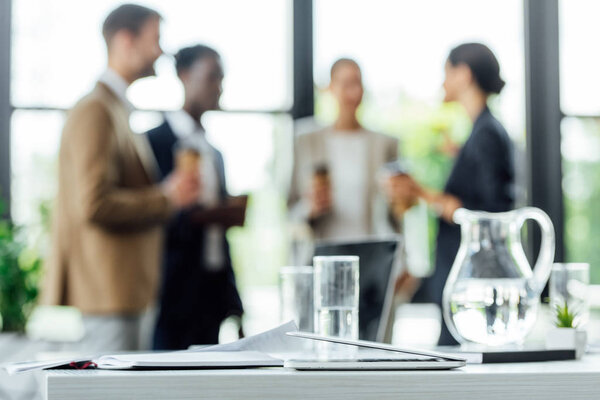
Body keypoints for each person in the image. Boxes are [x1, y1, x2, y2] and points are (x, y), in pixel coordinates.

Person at [41, 4, 200, 352]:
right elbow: (94, 203)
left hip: (123, 293)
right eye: (155, 39)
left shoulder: (114, 108)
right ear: (126, 40)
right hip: (107, 295)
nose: (161, 51)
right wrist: (167, 198)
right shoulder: (95, 110)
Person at [411, 43, 515, 345]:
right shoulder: (481, 132)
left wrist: (420, 192)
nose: (442, 82)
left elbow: (485, 213)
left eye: (446, 72)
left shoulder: (486, 134)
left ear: (464, 74)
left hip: (471, 287)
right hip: (467, 284)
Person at [147, 45, 245, 349]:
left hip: (212, 290)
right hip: (171, 291)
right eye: (212, 76)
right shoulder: (154, 143)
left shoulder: (214, 152)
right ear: (184, 75)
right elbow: (152, 214)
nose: (219, 86)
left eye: (222, 78)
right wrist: (203, 215)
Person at [288, 58, 415, 244]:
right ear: (330, 88)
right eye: (346, 84)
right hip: (321, 252)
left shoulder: (386, 143)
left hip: (373, 252)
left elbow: (397, 215)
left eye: (358, 83)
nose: (354, 92)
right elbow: (289, 209)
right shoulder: (305, 141)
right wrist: (310, 208)